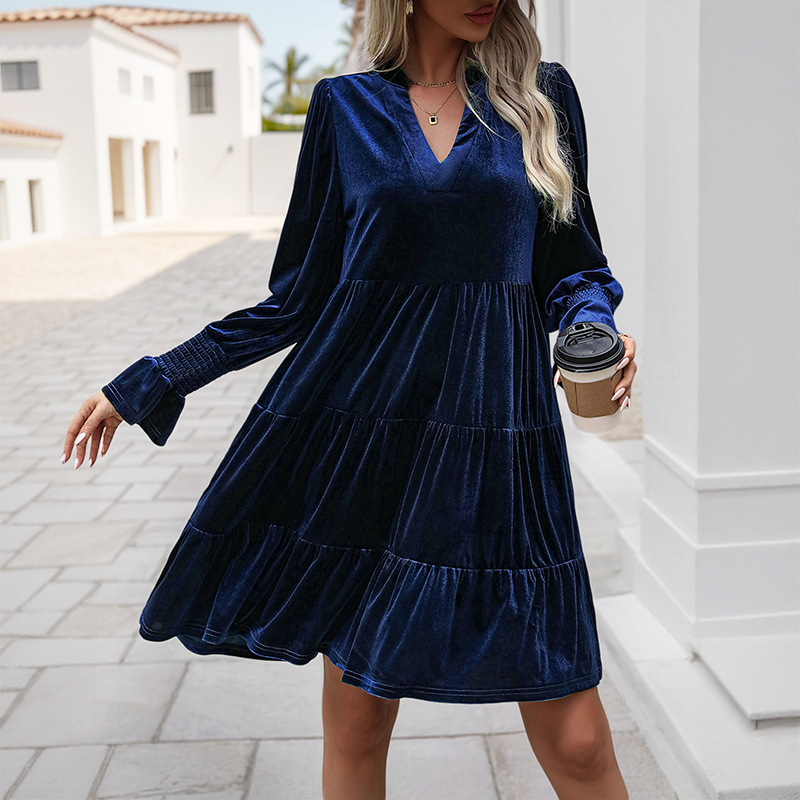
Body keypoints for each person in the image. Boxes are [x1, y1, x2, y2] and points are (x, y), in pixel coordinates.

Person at [62, 0, 637, 797]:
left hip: (501, 441)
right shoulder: (343, 108)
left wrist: (590, 326)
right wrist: (156, 378)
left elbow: (572, 266)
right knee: (359, 723)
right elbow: (297, 299)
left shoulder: (540, 97)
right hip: (369, 442)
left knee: (578, 742)